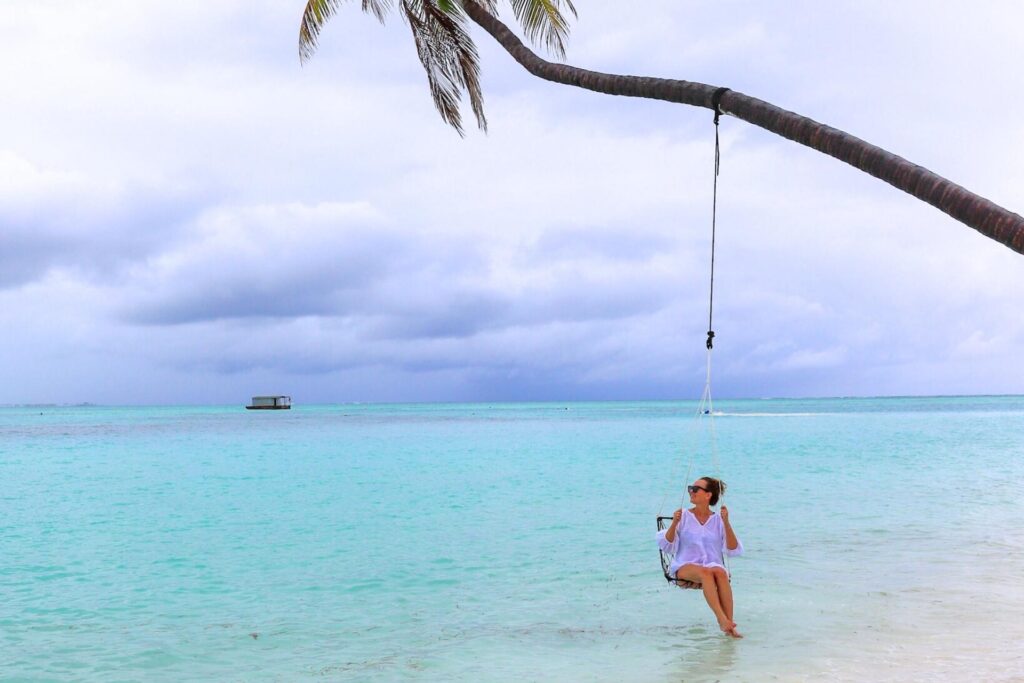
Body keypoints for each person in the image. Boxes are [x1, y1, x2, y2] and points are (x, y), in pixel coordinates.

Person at [657, 476, 743, 638]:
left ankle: (730, 625)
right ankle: (721, 619)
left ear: (708, 495)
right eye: (690, 488)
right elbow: (668, 544)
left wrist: (726, 522)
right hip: (685, 566)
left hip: (712, 566)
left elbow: (732, 548)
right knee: (706, 572)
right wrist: (674, 523)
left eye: (696, 489)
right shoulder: (683, 516)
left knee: (720, 572)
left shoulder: (718, 520)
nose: (691, 491)